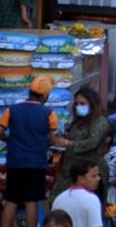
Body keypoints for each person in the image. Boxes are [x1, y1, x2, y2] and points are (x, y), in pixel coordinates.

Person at [0, 79, 67, 227]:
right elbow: (52, 139)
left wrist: (9, 139)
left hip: (15, 162)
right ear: (45, 96)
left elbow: (0, 131)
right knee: (32, 200)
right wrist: (43, 143)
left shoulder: (12, 110)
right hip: (36, 163)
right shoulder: (49, 114)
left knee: (11, 199)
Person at [49, 87, 108, 200]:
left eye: (82, 103)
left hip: (88, 172)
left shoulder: (100, 122)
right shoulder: (77, 122)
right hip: (69, 170)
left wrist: (68, 143)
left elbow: (92, 142)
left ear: (92, 104)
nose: (78, 106)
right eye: (76, 103)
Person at [51, 160, 102, 227]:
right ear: (81, 179)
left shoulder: (59, 199)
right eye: (94, 176)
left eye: (98, 175)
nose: (98, 178)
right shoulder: (92, 199)